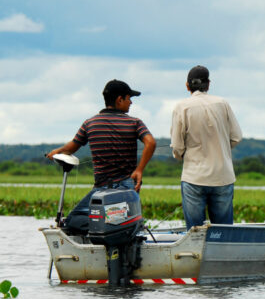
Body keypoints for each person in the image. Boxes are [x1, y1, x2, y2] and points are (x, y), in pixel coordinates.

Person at [47, 79, 156, 233]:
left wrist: (55, 152)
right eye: (128, 98)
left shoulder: (89, 123)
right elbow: (150, 142)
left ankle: (107, 228)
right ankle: (119, 228)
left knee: (72, 222)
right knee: (120, 224)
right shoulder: (135, 123)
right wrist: (139, 170)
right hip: (127, 187)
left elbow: (71, 147)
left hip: (101, 190)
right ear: (119, 100)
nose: (131, 102)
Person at [170, 65, 243, 229]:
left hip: (193, 177)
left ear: (187, 86)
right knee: (224, 233)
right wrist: (221, 148)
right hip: (223, 176)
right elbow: (237, 137)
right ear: (208, 84)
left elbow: (177, 146)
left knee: (195, 234)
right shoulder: (222, 103)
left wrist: (183, 155)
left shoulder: (182, 107)